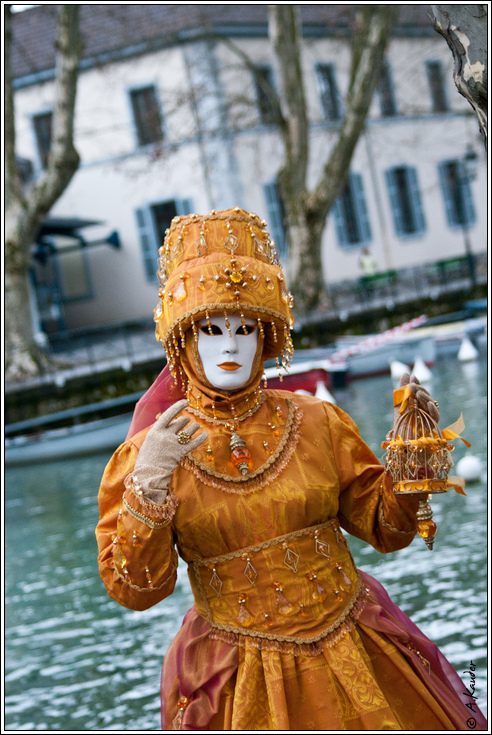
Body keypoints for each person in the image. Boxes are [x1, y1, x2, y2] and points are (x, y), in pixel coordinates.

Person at [96, 207, 486, 731]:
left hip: (358, 647)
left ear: (267, 336)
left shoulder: (317, 421)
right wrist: (149, 482)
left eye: (245, 328)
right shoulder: (153, 449)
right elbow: (136, 589)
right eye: (211, 329)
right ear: (185, 342)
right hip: (236, 679)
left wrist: (410, 471)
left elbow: (386, 528)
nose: (230, 345)